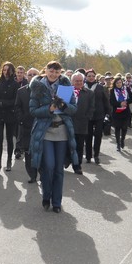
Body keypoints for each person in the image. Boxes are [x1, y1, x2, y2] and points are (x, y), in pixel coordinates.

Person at [29, 61, 77, 213]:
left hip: (62, 131)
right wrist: (48, 109)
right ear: (46, 70)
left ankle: (57, 202)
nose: (53, 74)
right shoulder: (37, 86)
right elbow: (33, 111)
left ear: (60, 73)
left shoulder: (65, 86)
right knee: (48, 166)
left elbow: (74, 109)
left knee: (58, 169)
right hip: (45, 131)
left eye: (57, 72)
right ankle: (46, 196)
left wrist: (64, 106)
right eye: (51, 71)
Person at [0, 61, 19, 174]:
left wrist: (4, 103)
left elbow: (15, 100)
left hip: (10, 115)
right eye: (4, 69)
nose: (6, 72)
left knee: (10, 139)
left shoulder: (15, 85)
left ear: (12, 71)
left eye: (8, 69)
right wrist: (0, 103)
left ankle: (8, 162)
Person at [14, 67, 40, 183]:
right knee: (28, 152)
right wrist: (21, 119)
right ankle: (32, 175)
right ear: (26, 76)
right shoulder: (21, 91)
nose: (32, 76)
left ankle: (41, 172)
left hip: (40, 124)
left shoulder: (43, 91)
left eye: (35, 74)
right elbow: (17, 107)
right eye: (30, 74)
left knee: (39, 151)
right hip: (26, 125)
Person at [84, 68, 111, 164]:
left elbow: (106, 101)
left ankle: (96, 155)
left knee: (98, 135)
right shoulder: (83, 87)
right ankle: (88, 156)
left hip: (99, 114)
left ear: (95, 77)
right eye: (89, 76)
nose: (91, 78)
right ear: (86, 77)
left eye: (93, 76)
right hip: (87, 115)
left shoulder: (101, 87)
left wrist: (108, 114)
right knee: (88, 136)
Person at [70, 71, 94, 174]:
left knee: (79, 146)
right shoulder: (67, 91)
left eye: (81, 81)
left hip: (82, 124)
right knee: (66, 145)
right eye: (76, 81)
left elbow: (92, 108)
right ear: (72, 81)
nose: (79, 83)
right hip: (68, 123)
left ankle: (77, 165)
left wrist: (87, 117)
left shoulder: (89, 93)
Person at [110, 75, 132, 152]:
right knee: (117, 128)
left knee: (124, 128)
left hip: (125, 112)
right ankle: (118, 144)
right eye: (117, 83)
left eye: (120, 82)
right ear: (115, 84)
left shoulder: (126, 89)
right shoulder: (112, 91)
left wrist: (126, 102)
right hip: (117, 112)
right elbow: (112, 102)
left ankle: (122, 139)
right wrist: (120, 104)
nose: (119, 84)